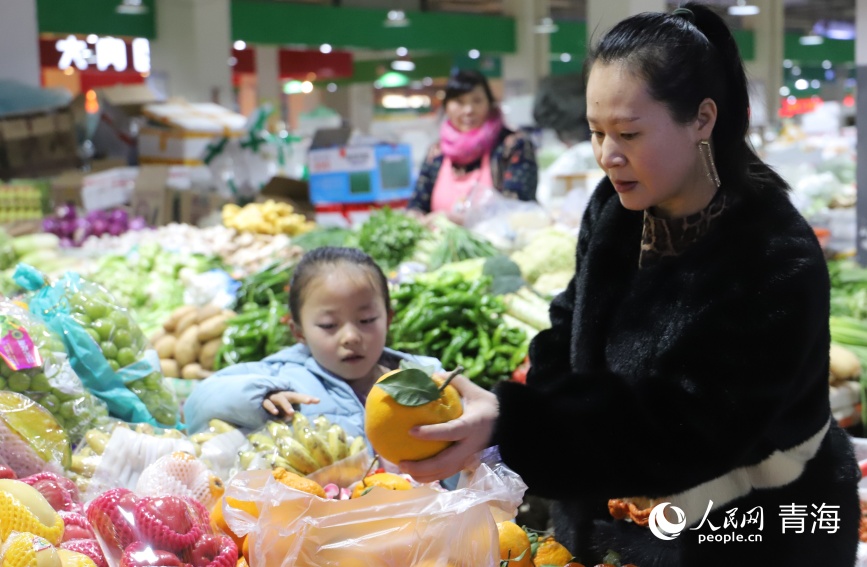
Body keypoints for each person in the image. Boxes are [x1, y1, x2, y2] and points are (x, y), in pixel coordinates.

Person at [399, 4, 860, 566]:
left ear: (702, 120)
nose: (607, 155)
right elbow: (569, 328)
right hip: (615, 518)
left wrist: (523, 427)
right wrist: (516, 410)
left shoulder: (771, 252)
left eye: (629, 133)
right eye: (596, 132)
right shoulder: (616, 210)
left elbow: (691, 427)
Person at [182, 246, 441, 442]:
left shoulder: (424, 377)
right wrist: (260, 397)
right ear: (299, 331)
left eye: (366, 319)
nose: (351, 337)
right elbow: (197, 406)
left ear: (388, 319)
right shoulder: (281, 377)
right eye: (329, 325)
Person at [406, 69, 538, 224]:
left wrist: (461, 221)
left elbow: (518, 208)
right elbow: (418, 202)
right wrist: (413, 217)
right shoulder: (437, 152)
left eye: (477, 101)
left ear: (489, 104)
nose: (468, 110)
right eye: (459, 102)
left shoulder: (513, 146)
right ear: (446, 106)